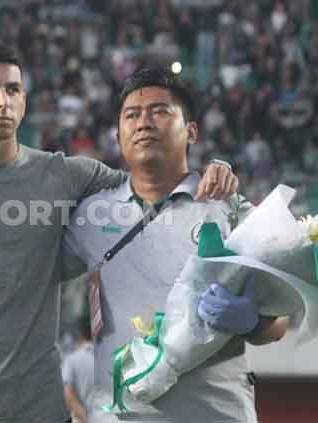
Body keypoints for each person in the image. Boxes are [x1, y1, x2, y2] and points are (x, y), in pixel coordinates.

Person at [0, 43, 238, 423]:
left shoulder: (69, 176)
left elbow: (156, 184)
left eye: (13, 90)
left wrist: (215, 168)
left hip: (38, 411)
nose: (2, 101)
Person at [63, 67, 288, 423]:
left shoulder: (229, 209)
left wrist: (251, 320)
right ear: (118, 135)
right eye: (131, 115)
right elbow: (28, 269)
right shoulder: (90, 215)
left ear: (191, 131)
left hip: (216, 413)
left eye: (160, 111)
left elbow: (279, 323)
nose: (144, 122)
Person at [62, 317, 95, 423]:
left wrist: (86, 420)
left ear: (80, 335)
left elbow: (69, 396)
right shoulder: (111, 356)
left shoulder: (71, 360)